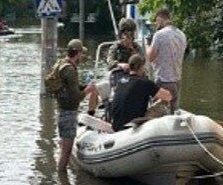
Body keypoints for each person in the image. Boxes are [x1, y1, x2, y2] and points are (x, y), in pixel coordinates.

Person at [52, 38, 99, 172]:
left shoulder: (62, 64)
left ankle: (61, 183)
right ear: (76, 53)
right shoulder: (70, 70)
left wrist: (84, 87)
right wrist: (88, 90)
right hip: (68, 114)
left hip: (62, 110)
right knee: (66, 153)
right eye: (81, 54)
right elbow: (76, 97)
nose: (82, 57)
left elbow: (72, 89)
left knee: (63, 150)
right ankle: (61, 182)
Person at [110, 54, 176, 132]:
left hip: (116, 125)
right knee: (164, 101)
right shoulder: (145, 82)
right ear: (141, 67)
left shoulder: (121, 81)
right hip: (131, 125)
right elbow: (168, 96)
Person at [146, 7, 188, 112]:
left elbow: (150, 57)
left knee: (158, 114)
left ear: (160, 18)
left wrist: (147, 46)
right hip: (177, 81)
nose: (156, 24)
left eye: (156, 20)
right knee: (173, 112)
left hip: (163, 80)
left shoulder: (159, 35)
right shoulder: (182, 35)